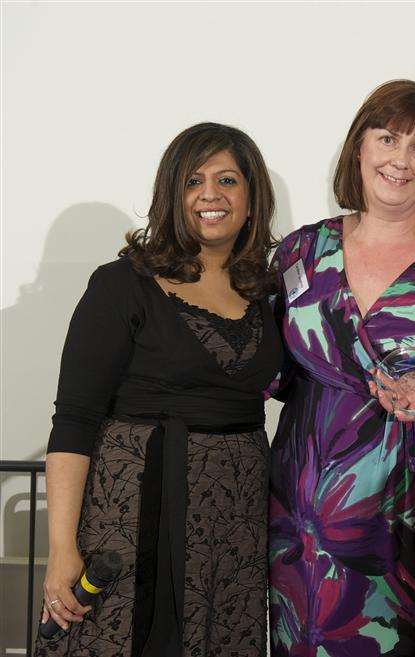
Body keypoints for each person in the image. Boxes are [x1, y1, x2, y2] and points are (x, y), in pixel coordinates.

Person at [36, 122, 282, 656]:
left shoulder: (268, 288)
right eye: (194, 180)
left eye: (228, 180)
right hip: (133, 513)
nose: (211, 195)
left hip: (235, 522)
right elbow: (74, 420)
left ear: (251, 196)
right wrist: (60, 549)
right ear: (172, 193)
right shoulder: (121, 285)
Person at [267, 80, 415, 657]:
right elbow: (264, 367)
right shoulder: (299, 252)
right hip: (304, 505)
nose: (400, 159)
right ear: (358, 148)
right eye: (387, 138)